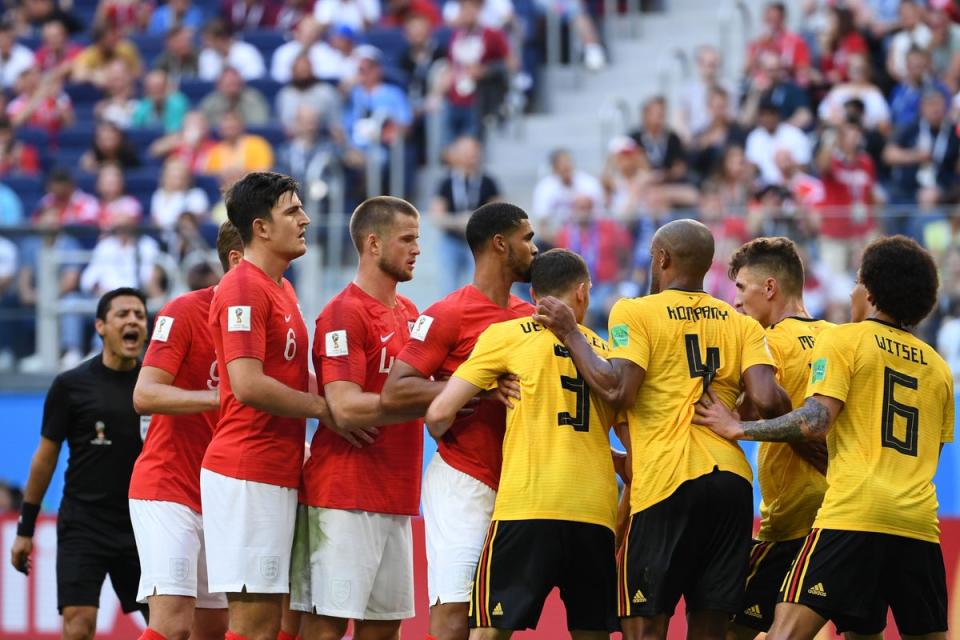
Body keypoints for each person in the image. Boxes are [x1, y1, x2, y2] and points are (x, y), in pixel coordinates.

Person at [532, 219, 790, 640]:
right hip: (732, 484)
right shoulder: (741, 324)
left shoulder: (635, 311)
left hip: (667, 482)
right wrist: (734, 414)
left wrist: (570, 332)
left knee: (644, 628)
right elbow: (770, 400)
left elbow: (618, 390)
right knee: (710, 628)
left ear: (663, 258)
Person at [694, 235, 953, 640]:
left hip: (850, 513)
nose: (851, 291)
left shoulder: (845, 340)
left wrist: (738, 427)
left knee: (781, 631)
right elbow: (931, 454)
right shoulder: (938, 368)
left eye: (855, 282)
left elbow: (815, 419)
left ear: (869, 291)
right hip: (919, 522)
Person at [424, 247, 621, 639]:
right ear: (582, 292)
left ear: (533, 297)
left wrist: (485, 394)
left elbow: (438, 414)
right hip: (594, 512)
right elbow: (626, 443)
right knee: (591, 632)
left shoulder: (506, 335)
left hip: (528, 506)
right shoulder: (605, 354)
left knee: (489, 631)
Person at [380, 202, 537, 640]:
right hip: (463, 479)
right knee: (454, 613)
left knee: (496, 619)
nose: (535, 249)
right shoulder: (448, 313)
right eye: (527, 239)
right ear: (500, 244)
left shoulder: (532, 318)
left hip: (520, 486)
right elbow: (397, 390)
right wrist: (473, 387)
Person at [200, 172, 336, 640]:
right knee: (254, 624)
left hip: (277, 468)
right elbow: (248, 385)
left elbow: (289, 376)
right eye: (293, 211)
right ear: (261, 227)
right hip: (246, 470)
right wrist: (325, 409)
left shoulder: (282, 287)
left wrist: (342, 400)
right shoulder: (243, 286)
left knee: (280, 622)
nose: (306, 219)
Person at [291, 197, 423, 639]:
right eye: (407, 239)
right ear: (372, 243)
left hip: (398, 495)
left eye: (417, 239)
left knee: (385, 631)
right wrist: (433, 398)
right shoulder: (342, 314)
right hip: (342, 495)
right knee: (325, 628)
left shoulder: (411, 314)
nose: (416, 249)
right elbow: (344, 406)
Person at [9, 288, 149, 640]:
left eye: (140, 315)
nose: (133, 320)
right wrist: (26, 529)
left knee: (172, 625)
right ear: (101, 326)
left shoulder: (157, 386)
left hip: (143, 525)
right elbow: (45, 459)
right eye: (123, 314)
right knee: (78, 624)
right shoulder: (71, 386)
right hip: (84, 524)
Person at [128, 222, 244, 640]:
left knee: (213, 629)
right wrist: (223, 396)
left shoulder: (273, 315)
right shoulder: (185, 310)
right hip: (168, 486)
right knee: (173, 625)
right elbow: (146, 395)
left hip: (223, 496)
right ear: (237, 258)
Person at [723, 237, 832, 638]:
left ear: (769, 288)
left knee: (732, 629)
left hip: (789, 520)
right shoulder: (839, 338)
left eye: (740, 288)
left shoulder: (765, 343)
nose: (735, 301)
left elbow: (746, 409)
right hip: (840, 512)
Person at [430, 136, 502, 293]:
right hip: (453, 239)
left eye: (475, 153)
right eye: (467, 153)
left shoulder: (488, 182)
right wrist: (458, 221)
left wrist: (474, 221)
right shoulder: (446, 182)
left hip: (479, 242)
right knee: (448, 288)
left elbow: (500, 214)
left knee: (478, 289)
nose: (472, 157)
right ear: (455, 155)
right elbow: (437, 217)